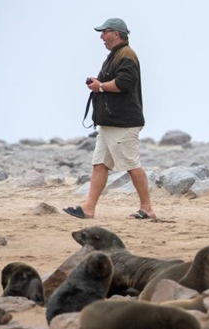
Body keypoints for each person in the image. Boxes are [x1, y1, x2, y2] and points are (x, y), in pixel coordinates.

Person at [64, 18, 156, 220]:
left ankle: (147, 209)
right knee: (100, 164)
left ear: (116, 33)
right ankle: (88, 208)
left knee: (131, 164)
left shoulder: (126, 55)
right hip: (110, 123)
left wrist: (100, 86)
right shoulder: (116, 56)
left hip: (123, 122)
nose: (101, 37)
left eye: (104, 32)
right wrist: (98, 84)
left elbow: (125, 83)